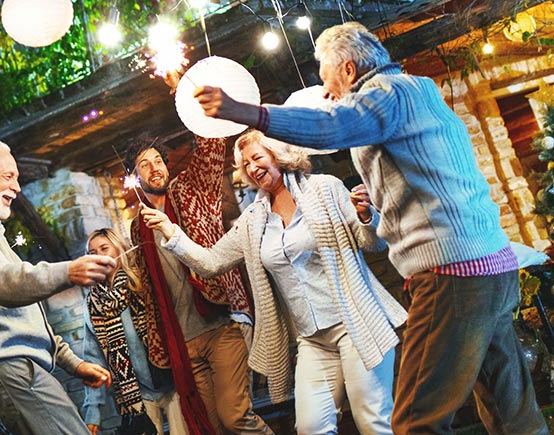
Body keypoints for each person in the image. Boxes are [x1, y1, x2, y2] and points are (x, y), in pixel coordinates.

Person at [192, 21, 548, 435]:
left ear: (348, 70)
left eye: (327, 81)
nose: (326, 94)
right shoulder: (419, 91)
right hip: (492, 268)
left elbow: (332, 126)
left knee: (416, 420)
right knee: (511, 410)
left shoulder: (385, 95)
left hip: (452, 275)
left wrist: (246, 113)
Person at [141, 130, 407, 435]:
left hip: (356, 326)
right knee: (310, 427)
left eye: (257, 158)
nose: (253, 168)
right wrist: (172, 233)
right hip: (312, 341)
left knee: (371, 420)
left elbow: (372, 244)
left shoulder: (325, 189)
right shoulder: (253, 219)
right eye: (246, 164)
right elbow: (211, 262)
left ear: (277, 156)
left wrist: (365, 216)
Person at [0, 138, 114, 435]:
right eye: (9, 176)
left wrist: (72, 363)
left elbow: (22, 315)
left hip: (18, 369)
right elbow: (1, 283)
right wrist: (67, 271)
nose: (17, 187)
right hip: (8, 369)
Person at [125, 133, 273, 435]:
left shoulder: (192, 190)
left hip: (222, 327)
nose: (155, 169)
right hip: (183, 342)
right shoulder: (137, 225)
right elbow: (153, 292)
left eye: (158, 161)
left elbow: (210, 148)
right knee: (213, 429)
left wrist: (193, 101)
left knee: (236, 417)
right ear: (135, 176)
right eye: (144, 165)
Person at [82, 228, 188, 435]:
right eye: (92, 253)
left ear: (119, 249)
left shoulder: (141, 283)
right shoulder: (93, 303)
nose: (99, 256)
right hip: (136, 395)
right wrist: (93, 411)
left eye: (104, 248)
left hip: (172, 382)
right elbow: (94, 360)